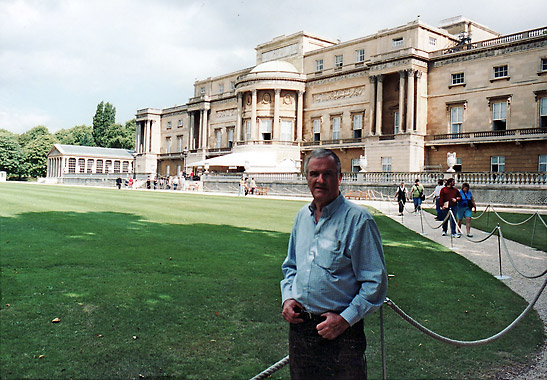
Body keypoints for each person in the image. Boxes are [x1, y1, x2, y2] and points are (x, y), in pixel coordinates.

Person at [280, 148, 387, 380]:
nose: (320, 180)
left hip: (342, 333)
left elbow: (375, 283)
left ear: (339, 178)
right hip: (301, 329)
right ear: (306, 177)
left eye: (327, 174)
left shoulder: (359, 220)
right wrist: (288, 297)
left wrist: (345, 319)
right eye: (314, 174)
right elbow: (291, 267)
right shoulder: (301, 217)